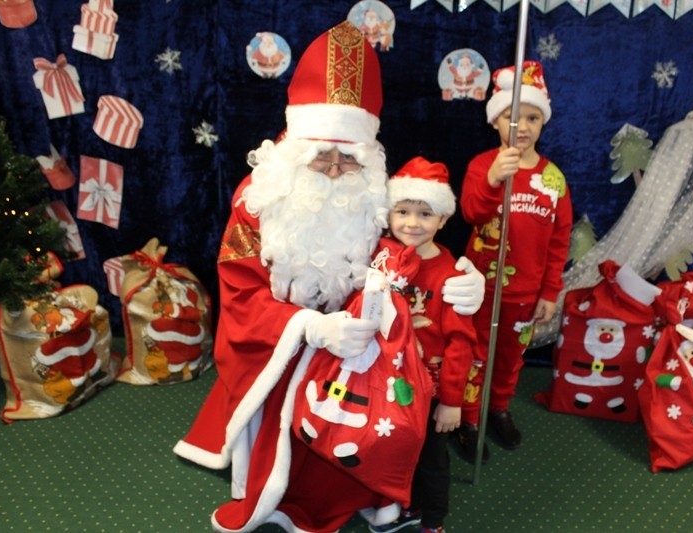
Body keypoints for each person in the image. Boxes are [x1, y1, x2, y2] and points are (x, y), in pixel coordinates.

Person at [172, 21, 485, 533]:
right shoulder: (260, 200)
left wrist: (462, 282)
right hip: (279, 352)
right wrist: (310, 327)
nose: (337, 169)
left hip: (357, 360)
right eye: (323, 155)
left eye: (350, 158)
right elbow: (240, 292)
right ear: (298, 148)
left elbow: (411, 253)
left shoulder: (372, 199)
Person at [456, 60, 573, 462]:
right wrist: (493, 180)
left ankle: (499, 408)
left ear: (543, 122)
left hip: (525, 293)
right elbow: (471, 212)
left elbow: (559, 240)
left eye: (532, 118)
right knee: (475, 355)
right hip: (481, 288)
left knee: (509, 359)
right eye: (512, 117)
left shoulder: (553, 179)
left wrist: (550, 291)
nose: (522, 127)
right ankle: (469, 418)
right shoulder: (482, 166)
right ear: (495, 121)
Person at [369, 157, 477, 533]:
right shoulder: (380, 256)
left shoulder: (451, 275)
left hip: (429, 389)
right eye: (403, 211)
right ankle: (405, 505)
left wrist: (452, 401)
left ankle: (432, 519)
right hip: (386, 380)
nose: (412, 223)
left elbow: (461, 344)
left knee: (431, 459)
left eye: (425, 214)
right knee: (393, 450)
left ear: (443, 219)